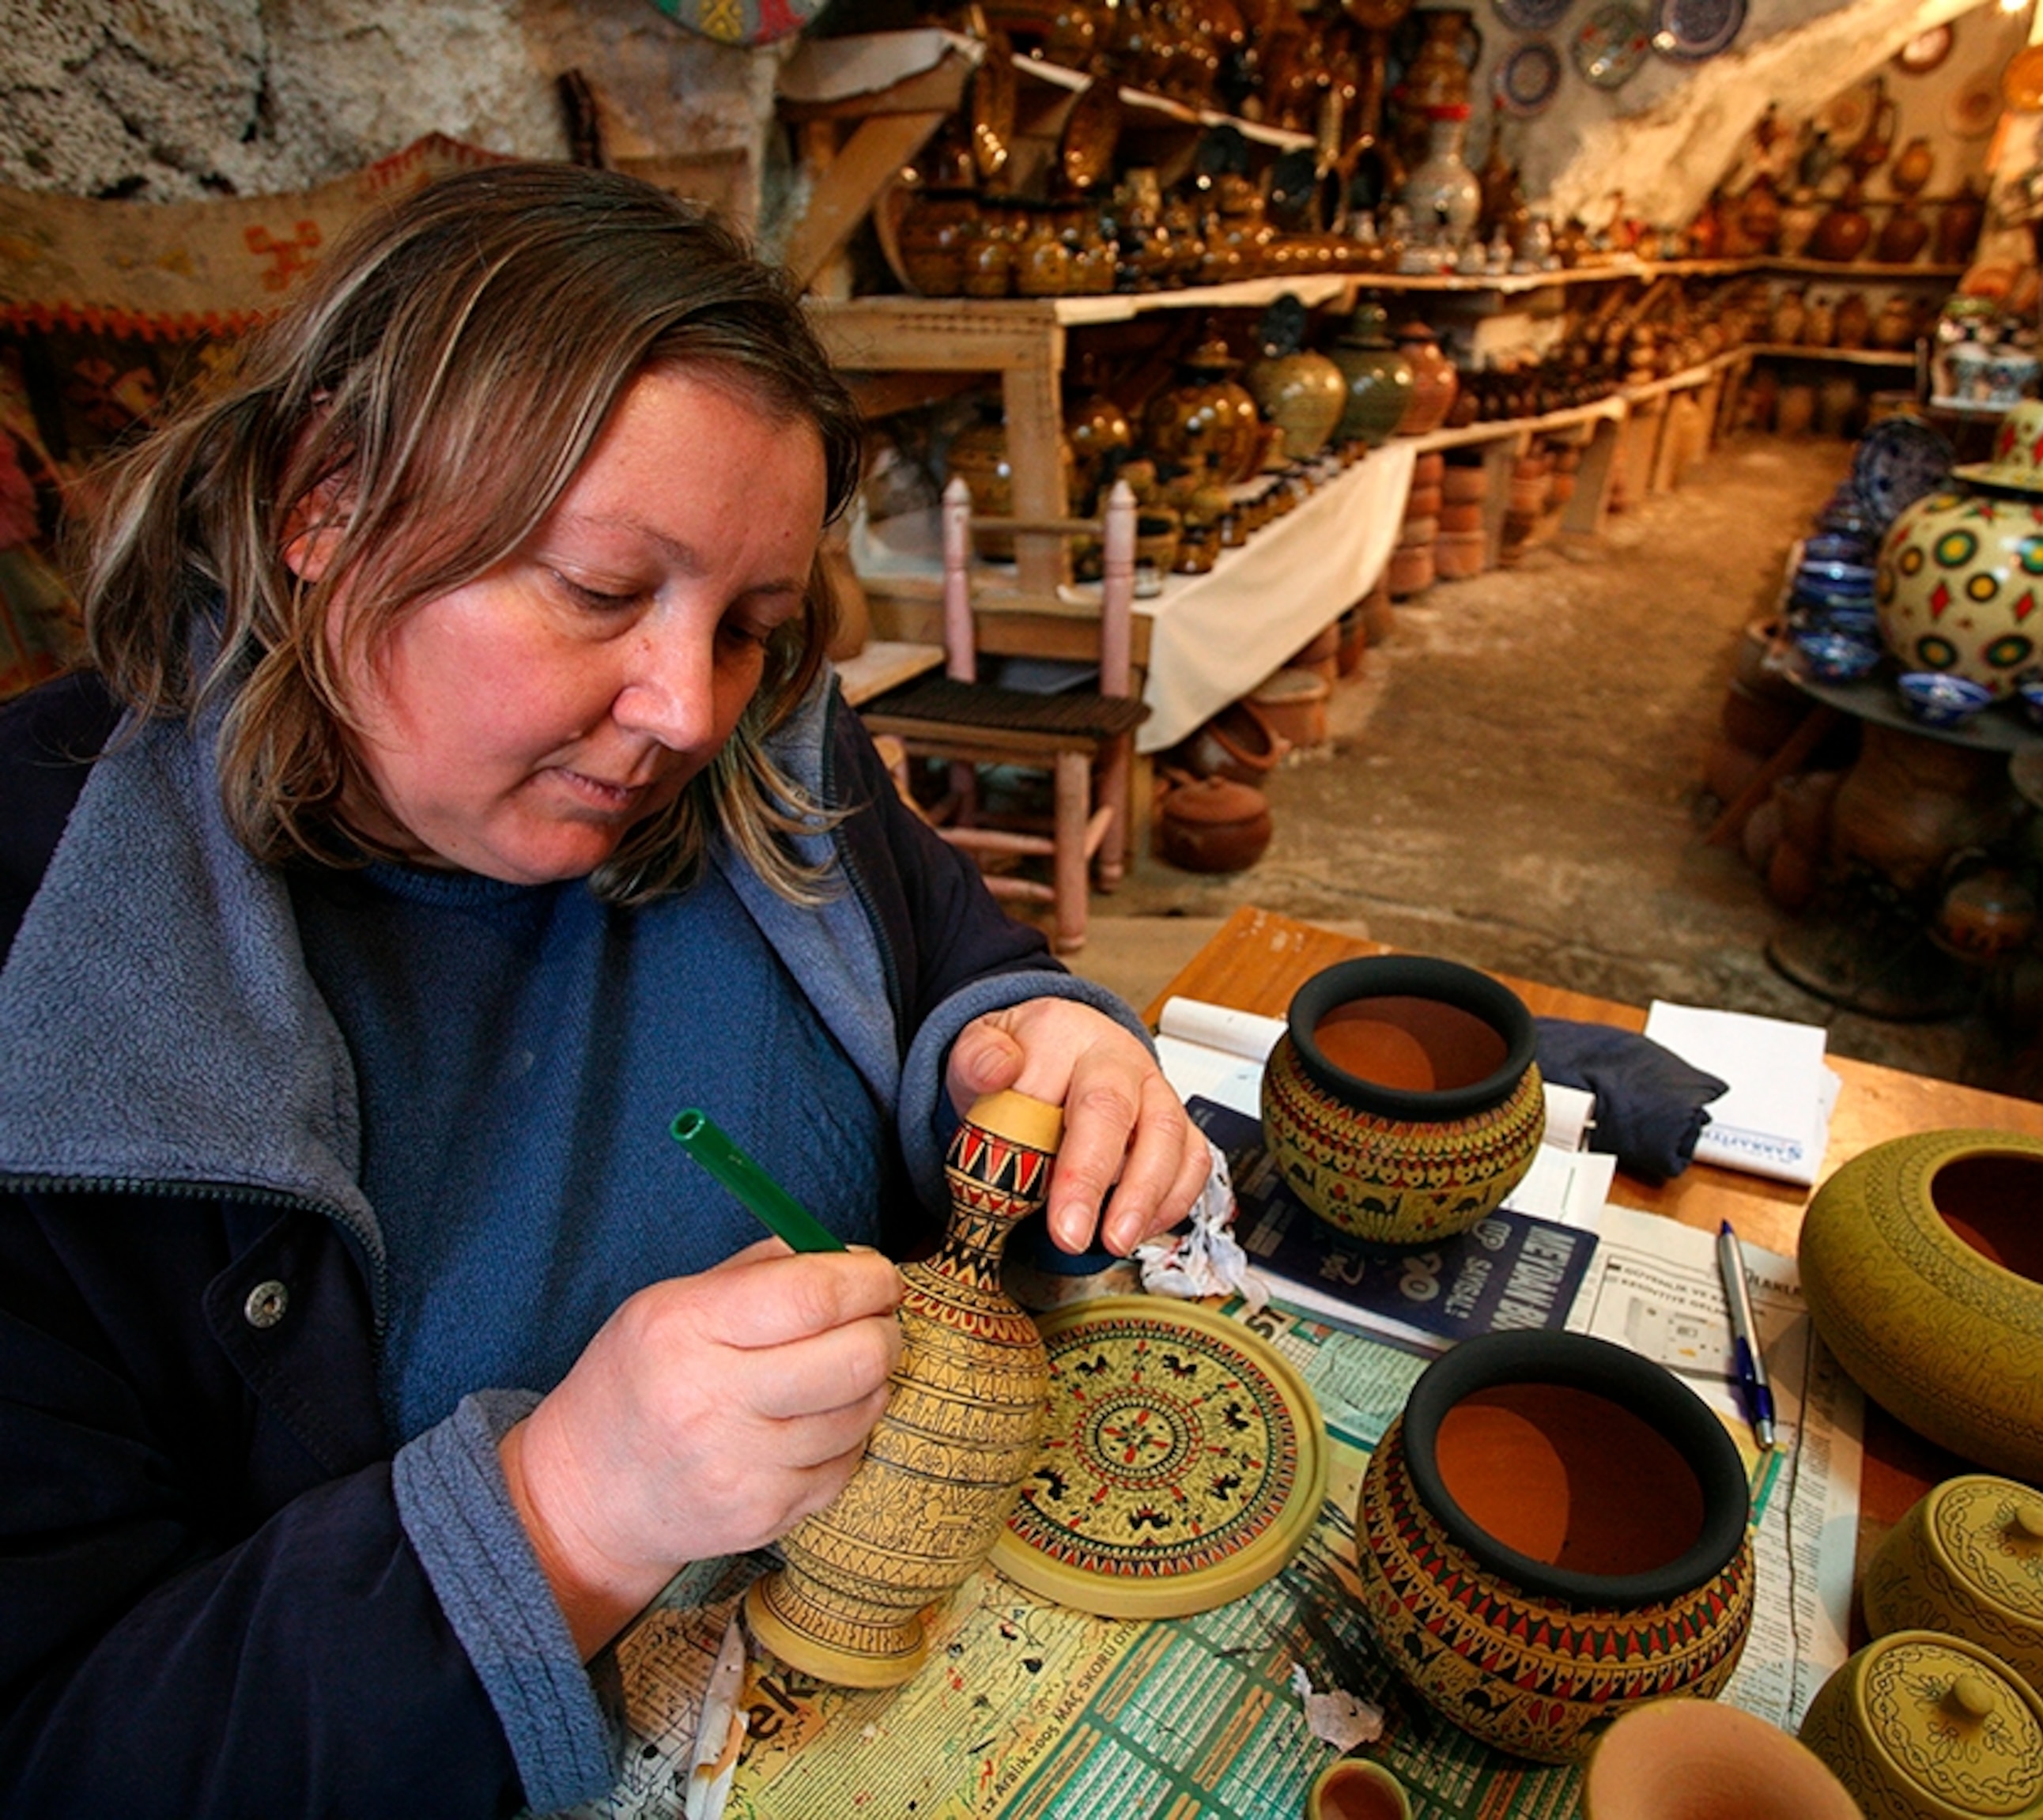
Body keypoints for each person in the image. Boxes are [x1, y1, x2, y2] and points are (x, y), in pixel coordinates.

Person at [0, 162, 1207, 1818]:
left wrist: (1027, 1047)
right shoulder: (46, 965)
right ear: (325, 501)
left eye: (750, 623)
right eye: (601, 589)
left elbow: (950, 963)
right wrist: (566, 1516)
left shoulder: (752, 747)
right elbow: (64, 1754)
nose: (689, 708)